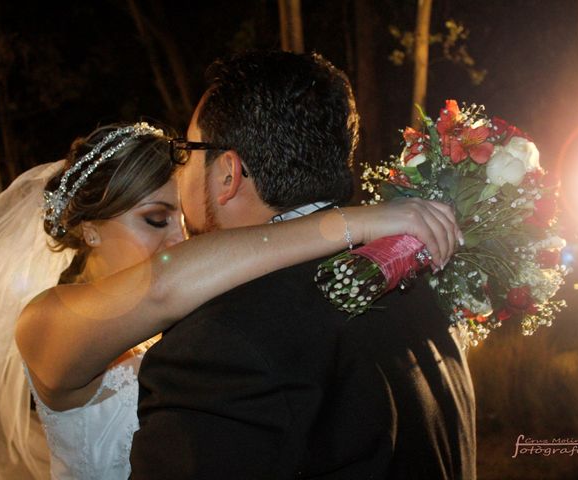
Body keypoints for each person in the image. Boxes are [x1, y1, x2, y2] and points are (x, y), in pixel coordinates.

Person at [0, 118, 458, 480]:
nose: (177, 240)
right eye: (155, 218)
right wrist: (358, 221)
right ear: (90, 230)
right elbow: (166, 281)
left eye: (184, 222)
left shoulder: (182, 322)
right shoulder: (44, 322)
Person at [130, 50, 476, 479]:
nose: (178, 173)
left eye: (186, 152)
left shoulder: (221, 342)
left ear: (227, 175)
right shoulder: (418, 290)